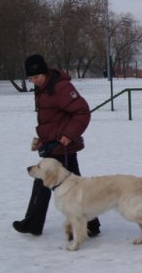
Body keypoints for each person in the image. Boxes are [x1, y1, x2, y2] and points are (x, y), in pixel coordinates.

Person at [13, 54, 101, 237]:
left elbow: (82, 112)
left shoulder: (60, 87)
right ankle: (91, 226)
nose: (33, 81)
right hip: (53, 145)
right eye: (30, 78)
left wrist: (69, 135)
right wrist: (41, 140)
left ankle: (32, 224)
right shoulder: (43, 88)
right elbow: (52, 120)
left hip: (63, 146)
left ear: (44, 73)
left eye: (36, 77)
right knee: (75, 187)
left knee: (43, 182)